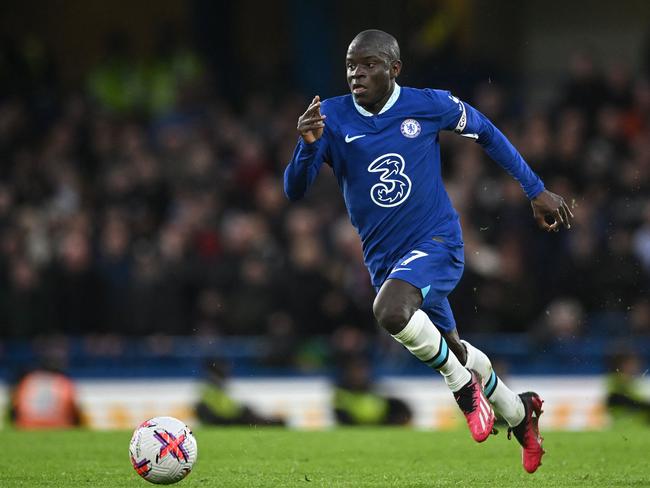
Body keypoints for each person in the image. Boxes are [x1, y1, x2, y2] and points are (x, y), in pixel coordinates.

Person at [284, 29, 574, 473]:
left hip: (437, 241)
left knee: (390, 313)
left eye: (368, 64)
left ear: (394, 68)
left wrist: (535, 189)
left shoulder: (429, 104)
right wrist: (305, 148)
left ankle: (462, 390)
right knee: (451, 346)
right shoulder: (331, 117)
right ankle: (520, 412)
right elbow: (295, 190)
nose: (356, 73)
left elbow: (487, 132)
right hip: (385, 259)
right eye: (350, 65)